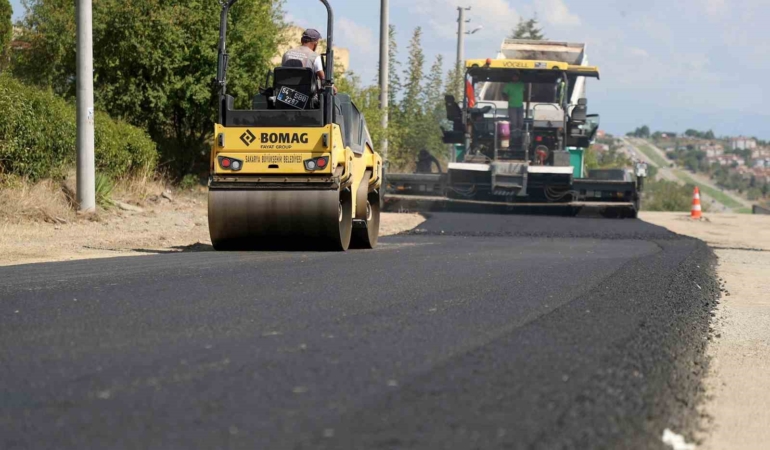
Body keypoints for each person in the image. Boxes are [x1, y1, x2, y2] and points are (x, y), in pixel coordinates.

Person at [281, 29, 336, 94]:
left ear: (302, 40)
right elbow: (323, 80)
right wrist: (333, 88)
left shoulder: (287, 53)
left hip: (284, 94)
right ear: (316, 43)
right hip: (305, 97)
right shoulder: (315, 56)